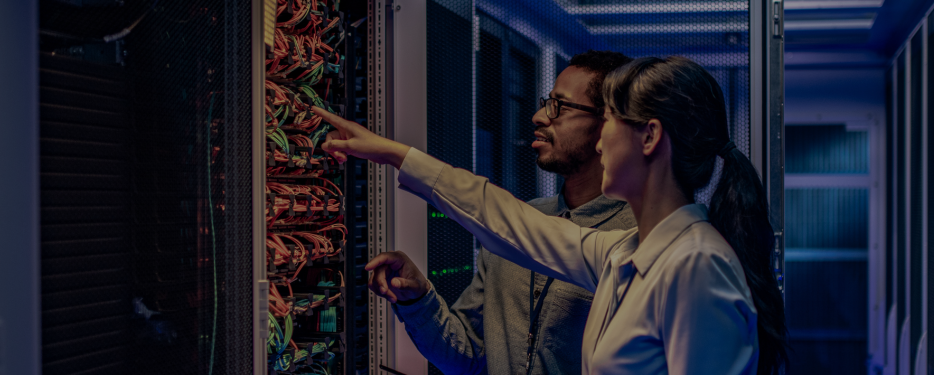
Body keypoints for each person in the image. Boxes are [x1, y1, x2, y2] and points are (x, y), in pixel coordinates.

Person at [314, 56, 787, 374]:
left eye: (613, 123)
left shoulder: (696, 265)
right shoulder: (627, 253)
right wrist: (395, 154)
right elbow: (506, 221)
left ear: (649, 137)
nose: (602, 139)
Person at [362, 51, 636, 375]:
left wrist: (397, 155)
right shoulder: (516, 228)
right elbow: (467, 356)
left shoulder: (636, 241)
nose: (538, 116)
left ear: (609, 125)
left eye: (558, 106)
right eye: (545, 102)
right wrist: (418, 299)